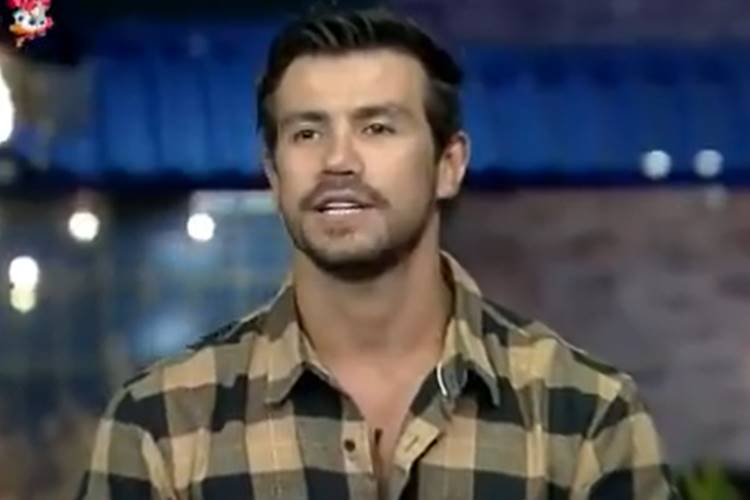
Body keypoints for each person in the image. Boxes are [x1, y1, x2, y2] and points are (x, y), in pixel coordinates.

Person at [77, 6, 680, 500]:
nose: (338, 160)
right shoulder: (163, 423)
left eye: (377, 128)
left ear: (449, 164)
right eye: (307, 133)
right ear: (274, 173)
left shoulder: (583, 414)